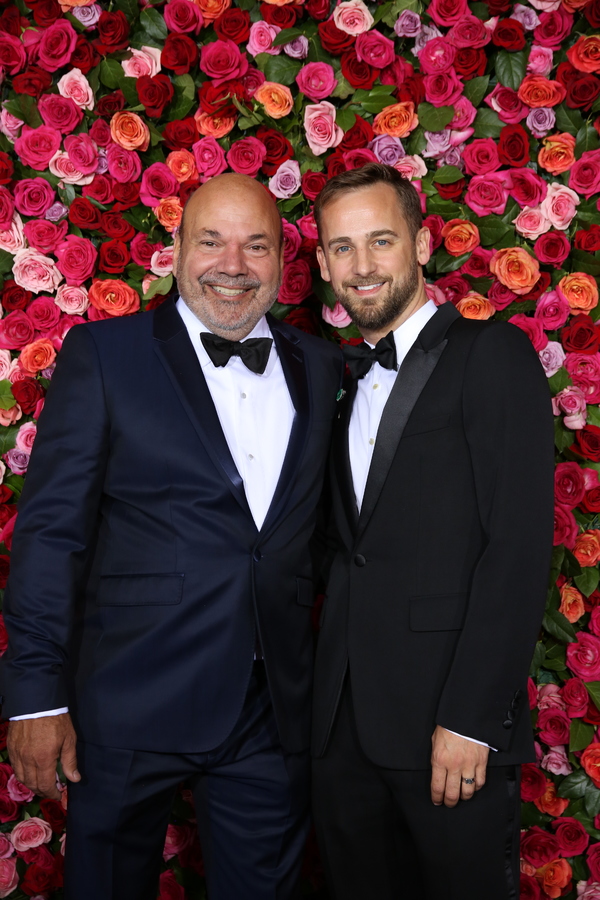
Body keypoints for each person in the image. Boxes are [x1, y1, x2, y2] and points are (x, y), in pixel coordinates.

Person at [1, 173, 343, 900]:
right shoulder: (105, 355)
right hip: (127, 698)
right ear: (177, 249)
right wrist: (35, 697)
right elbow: (52, 534)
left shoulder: (320, 364)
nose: (232, 265)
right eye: (211, 240)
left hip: (270, 712)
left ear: (284, 262)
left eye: (256, 246)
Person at [310, 163, 554, 899]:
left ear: (421, 243)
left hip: (448, 732)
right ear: (322, 264)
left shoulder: (493, 355)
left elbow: (516, 548)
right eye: (342, 248)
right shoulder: (337, 376)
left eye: (380, 241)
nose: (362, 265)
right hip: (341, 733)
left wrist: (473, 719)